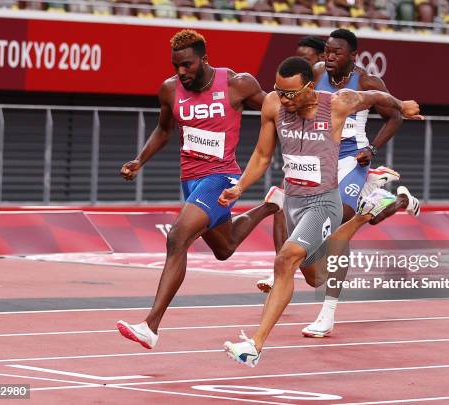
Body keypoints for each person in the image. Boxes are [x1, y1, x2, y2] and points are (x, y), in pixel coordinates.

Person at [219, 56, 423, 367]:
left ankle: (254, 346)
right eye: (279, 90)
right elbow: (261, 155)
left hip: (322, 201)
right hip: (295, 202)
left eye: (291, 93)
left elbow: (377, 96)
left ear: (309, 87)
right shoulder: (273, 104)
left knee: (285, 259)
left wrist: (402, 104)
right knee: (314, 277)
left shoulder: (338, 103)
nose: (284, 99)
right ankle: (366, 214)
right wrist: (240, 187)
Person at [115, 29, 283, 350]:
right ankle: (271, 205)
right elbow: (164, 130)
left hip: (222, 176)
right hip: (190, 179)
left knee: (177, 238)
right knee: (225, 248)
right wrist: (139, 160)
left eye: (188, 65)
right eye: (177, 66)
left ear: (204, 59)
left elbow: (275, 112)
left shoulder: (237, 84)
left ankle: (150, 326)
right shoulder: (169, 90)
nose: (182, 72)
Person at [257, 29, 421, 339]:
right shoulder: (315, 74)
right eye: (327, 51)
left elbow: (395, 116)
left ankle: (327, 311)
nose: (329, 57)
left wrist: (371, 149)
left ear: (352, 56)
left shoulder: (367, 81)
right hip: (316, 156)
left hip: (349, 158)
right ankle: (388, 198)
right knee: (294, 211)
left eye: (336, 52)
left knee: (339, 216)